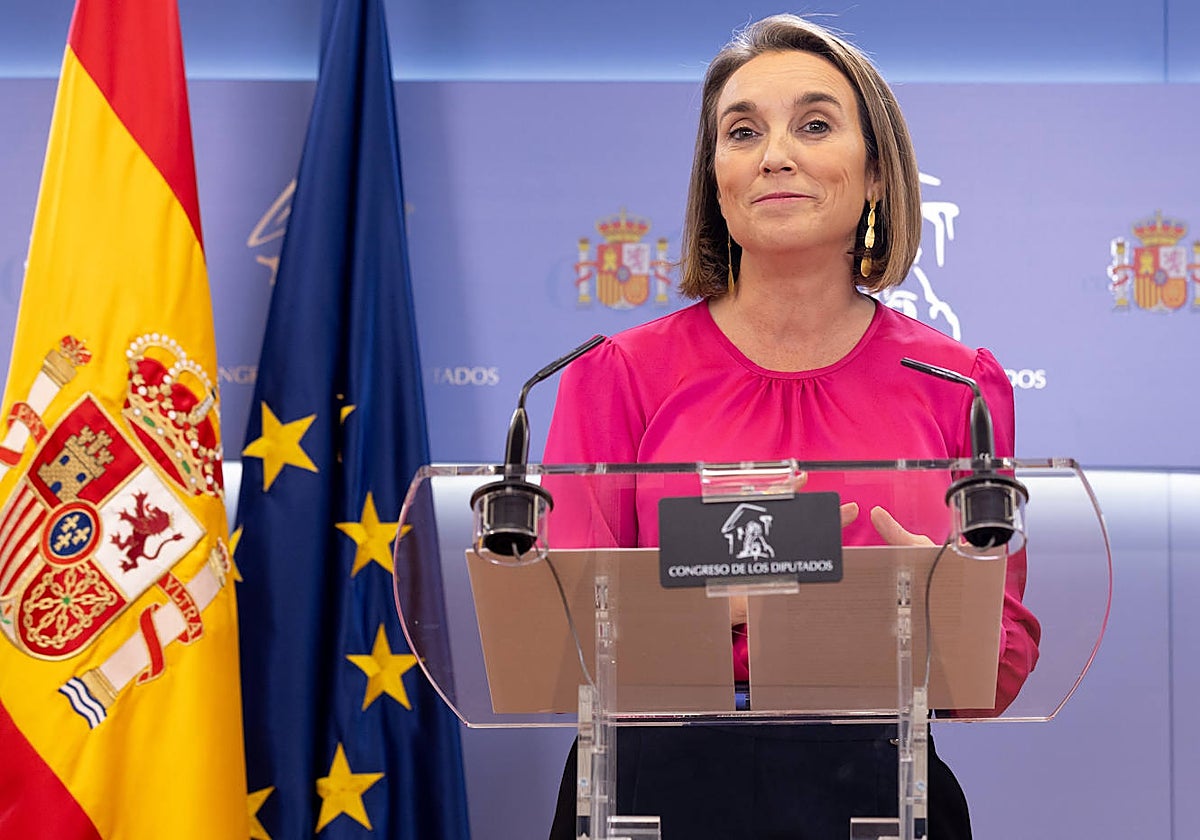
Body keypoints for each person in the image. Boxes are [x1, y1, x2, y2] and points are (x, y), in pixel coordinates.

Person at [542, 13, 1040, 840]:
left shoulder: (960, 385)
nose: (776, 154)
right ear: (717, 178)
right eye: (743, 132)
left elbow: (1007, 663)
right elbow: (554, 633)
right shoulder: (617, 376)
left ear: (877, 174)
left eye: (814, 124)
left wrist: (946, 612)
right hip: (651, 787)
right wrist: (712, 617)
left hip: (879, 785)